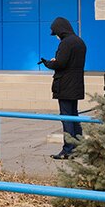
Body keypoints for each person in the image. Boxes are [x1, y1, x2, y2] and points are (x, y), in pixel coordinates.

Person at [40, 17, 87, 160]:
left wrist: (48, 63)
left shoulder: (66, 43)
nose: (56, 36)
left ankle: (68, 149)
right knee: (74, 116)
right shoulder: (79, 41)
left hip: (65, 85)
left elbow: (61, 64)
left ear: (60, 30)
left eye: (56, 33)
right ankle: (78, 146)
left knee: (66, 117)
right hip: (76, 84)